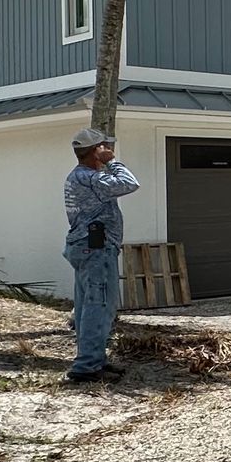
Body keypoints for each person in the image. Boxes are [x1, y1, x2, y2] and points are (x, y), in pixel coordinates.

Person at [63, 127, 140, 383]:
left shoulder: (80, 176)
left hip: (86, 248)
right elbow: (130, 183)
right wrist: (113, 162)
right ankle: (87, 367)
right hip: (96, 249)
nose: (109, 150)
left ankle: (94, 359)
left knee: (88, 307)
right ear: (96, 151)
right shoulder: (90, 178)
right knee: (99, 307)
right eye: (104, 147)